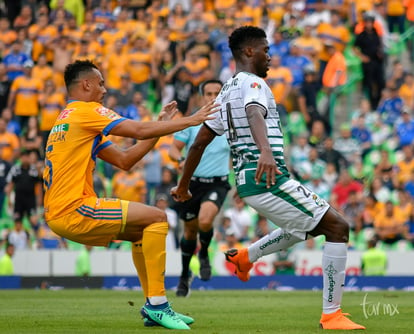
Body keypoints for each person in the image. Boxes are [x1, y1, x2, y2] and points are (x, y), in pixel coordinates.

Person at [171, 26, 365, 330]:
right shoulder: (253, 85)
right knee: (338, 227)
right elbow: (253, 113)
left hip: (253, 181)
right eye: (265, 49)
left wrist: (183, 185)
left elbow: (199, 142)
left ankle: (246, 257)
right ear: (249, 51)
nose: (270, 56)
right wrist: (265, 151)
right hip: (267, 178)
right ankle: (331, 314)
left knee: (308, 227)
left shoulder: (225, 90)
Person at [42, 59, 218, 330]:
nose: (104, 89)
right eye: (100, 83)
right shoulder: (86, 111)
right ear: (86, 84)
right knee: (158, 218)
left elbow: (125, 160)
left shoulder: (66, 120)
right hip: (74, 208)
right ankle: (158, 305)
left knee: (141, 231)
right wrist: (191, 120)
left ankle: (154, 305)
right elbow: (135, 129)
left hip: (60, 211)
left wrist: (158, 127)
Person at [168, 79, 231, 297]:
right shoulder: (194, 121)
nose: (213, 98)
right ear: (201, 97)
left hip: (217, 182)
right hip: (192, 183)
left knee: (205, 220)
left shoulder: (231, 121)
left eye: (217, 93)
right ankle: (185, 275)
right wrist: (180, 161)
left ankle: (203, 253)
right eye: (209, 94)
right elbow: (173, 149)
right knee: (190, 231)